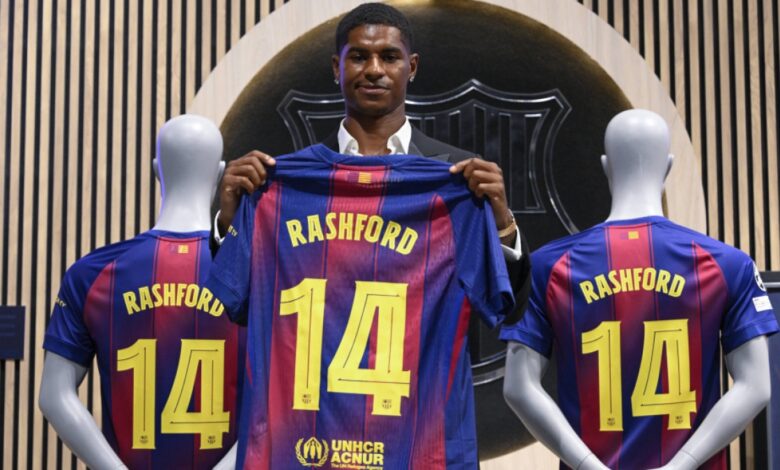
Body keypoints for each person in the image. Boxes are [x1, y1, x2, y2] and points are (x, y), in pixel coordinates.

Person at [500, 109, 777, 470]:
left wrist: (588, 465)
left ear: (605, 166)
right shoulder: (728, 264)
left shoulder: (547, 267)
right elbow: (756, 386)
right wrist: (681, 465)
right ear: (669, 166)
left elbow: (518, 387)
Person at [212, 3, 530, 314]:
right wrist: (229, 222)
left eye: (389, 57)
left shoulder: (457, 176)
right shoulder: (288, 184)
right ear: (336, 67)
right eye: (359, 57)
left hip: (423, 354)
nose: (374, 70)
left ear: (412, 67)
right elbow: (240, 306)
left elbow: (509, 309)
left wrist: (502, 226)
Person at [39, 115, 244, 469]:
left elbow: (54, 396)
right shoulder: (253, 272)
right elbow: (277, 400)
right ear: (220, 172)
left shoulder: (92, 274)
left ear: (156, 170)